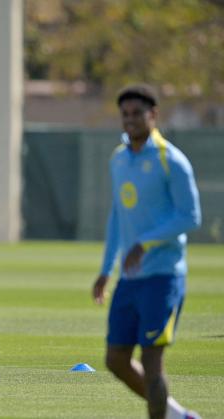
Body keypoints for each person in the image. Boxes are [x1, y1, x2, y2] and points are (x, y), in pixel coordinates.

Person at [92, 85, 202, 419]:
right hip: (130, 279)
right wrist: (106, 268)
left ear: (153, 115)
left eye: (137, 113)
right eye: (125, 114)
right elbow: (117, 216)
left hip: (163, 277)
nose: (130, 120)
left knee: (153, 362)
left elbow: (190, 216)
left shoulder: (172, 160)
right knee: (115, 359)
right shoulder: (118, 159)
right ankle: (178, 415)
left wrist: (146, 242)